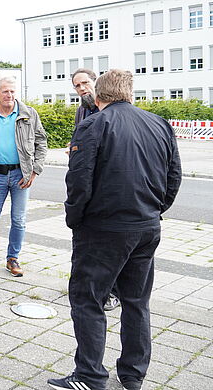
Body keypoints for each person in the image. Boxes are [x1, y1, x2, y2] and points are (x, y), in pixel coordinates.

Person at [49, 70, 182, 390]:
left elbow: (78, 181)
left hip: (103, 229)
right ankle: (133, 374)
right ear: (130, 94)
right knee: (136, 301)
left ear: (98, 97)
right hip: (146, 226)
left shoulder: (92, 125)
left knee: (87, 299)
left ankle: (89, 375)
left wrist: (74, 219)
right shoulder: (159, 124)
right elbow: (173, 176)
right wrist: (154, 210)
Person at [0, 76, 48, 278]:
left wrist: (35, 170)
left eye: (13, 91)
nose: (9, 95)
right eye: (5, 91)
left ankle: (12, 259)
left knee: (19, 220)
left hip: (20, 176)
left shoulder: (29, 114)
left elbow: (42, 143)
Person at [71, 68, 120, 312]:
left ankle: (112, 292)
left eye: (85, 83)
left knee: (112, 248)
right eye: (77, 86)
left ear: (96, 82)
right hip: (89, 188)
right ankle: (94, 288)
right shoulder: (82, 110)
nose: (82, 89)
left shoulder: (110, 109)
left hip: (110, 188)